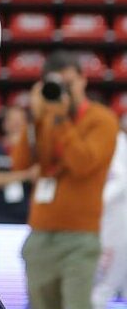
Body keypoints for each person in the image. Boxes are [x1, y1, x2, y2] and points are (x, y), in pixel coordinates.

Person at [10, 51, 118, 309]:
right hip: (40, 232)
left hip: (80, 236)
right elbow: (21, 163)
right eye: (57, 86)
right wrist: (34, 119)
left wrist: (59, 120)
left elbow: (82, 164)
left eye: (69, 84)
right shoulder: (44, 120)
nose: (64, 92)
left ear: (83, 80)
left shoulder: (102, 120)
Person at [0, 105, 38, 224]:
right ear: (5, 123)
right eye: (12, 120)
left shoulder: (34, 151)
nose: (16, 124)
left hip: (28, 218)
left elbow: (39, 176)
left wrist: (1, 178)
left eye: (19, 121)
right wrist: (25, 175)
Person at [93, 115, 127, 307]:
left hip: (115, 226)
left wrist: (95, 201)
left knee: (102, 288)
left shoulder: (116, 141)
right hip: (108, 223)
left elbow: (119, 181)